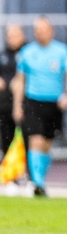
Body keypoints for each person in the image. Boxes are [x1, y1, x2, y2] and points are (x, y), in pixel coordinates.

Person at [12, 17, 67, 197]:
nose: (40, 33)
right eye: (37, 30)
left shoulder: (61, 51)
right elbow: (20, 80)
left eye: (43, 29)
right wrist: (17, 105)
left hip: (54, 103)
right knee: (36, 140)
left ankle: (40, 179)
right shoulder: (27, 52)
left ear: (51, 31)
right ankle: (37, 183)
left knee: (47, 143)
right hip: (33, 101)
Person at [0, 25, 25, 155]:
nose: (12, 39)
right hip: (5, 105)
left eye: (15, 36)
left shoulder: (28, 53)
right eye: (9, 36)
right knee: (6, 141)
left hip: (25, 105)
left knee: (25, 140)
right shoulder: (3, 55)